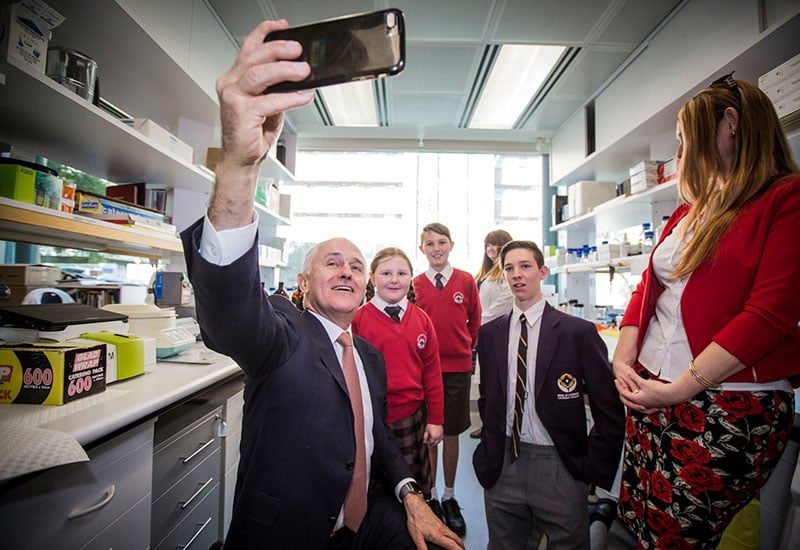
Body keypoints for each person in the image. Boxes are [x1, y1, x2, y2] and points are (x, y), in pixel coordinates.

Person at [180, 19, 463, 550]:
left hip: (368, 521)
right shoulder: (283, 333)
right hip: (290, 532)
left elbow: (375, 439)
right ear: (305, 284)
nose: (348, 272)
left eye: (357, 267)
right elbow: (228, 313)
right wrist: (241, 165)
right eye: (332, 263)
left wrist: (410, 492)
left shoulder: (370, 359)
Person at [612, 74, 800, 548]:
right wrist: (623, 357)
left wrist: (678, 389)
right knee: (640, 522)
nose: (679, 155)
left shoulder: (784, 199)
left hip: (725, 403)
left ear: (730, 124)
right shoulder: (689, 211)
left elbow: (767, 316)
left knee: (678, 536)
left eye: (684, 141)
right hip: (653, 392)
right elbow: (646, 289)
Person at [472, 240, 625, 549]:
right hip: (504, 462)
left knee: (568, 542)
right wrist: (488, 452)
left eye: (525, 266)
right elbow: (488, 399)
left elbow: (608, 410)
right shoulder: (490, 335)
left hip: (559, 463)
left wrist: (590, 469)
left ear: (542, 272)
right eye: (509, 268)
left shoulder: (577, 333)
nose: (517, 274)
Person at [352, 247, 445, 507]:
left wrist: (435, 420)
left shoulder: (422, 320)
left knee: (412, 489)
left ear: (411, 279)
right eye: (386, 273)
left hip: (412, 417)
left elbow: (432, 373)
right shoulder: (358, 320)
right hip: (373, 419)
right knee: (378, 490)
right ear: (372, 278)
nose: (394, 279)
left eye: (402, 273)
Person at [412, 223, 482, 537]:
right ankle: (428, 495)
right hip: (424, 370)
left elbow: (475, 320)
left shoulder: (466, 280)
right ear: (422, 249)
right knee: (429, 434)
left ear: (451, 245)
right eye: (429, 243)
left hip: (456, 370)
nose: (436, 248)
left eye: (441, 242)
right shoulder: (414, 284)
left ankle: (449, 496)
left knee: (451, 433)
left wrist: (465, 348)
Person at [470, 229, 515, 439]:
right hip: (482, 335)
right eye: (488, 244)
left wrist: (478, 322)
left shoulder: (506, 273)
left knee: (498, 384)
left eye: (497, 245)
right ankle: (487, 425)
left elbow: (504, 302)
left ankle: (499, 428)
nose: (492, 249)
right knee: (484, 384)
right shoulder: (483, 274)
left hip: (498, 334)